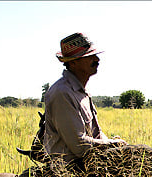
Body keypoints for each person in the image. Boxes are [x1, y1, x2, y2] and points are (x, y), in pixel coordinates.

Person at [44, 32, 127, 164]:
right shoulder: (62, 93)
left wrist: (113, 145)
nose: (96, 60)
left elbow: (97, 133)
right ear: (73, 63)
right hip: (69, 168)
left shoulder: (82, 92)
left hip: (89, 161)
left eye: (95, 55)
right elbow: (79, 146)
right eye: (89, 56)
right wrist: (112, 144)